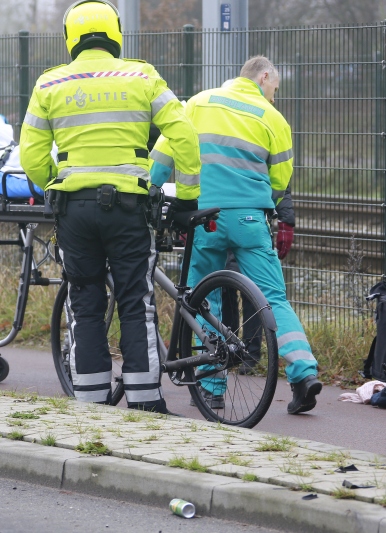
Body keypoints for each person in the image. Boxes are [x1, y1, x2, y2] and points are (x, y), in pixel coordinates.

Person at [19, 0, 200, 412]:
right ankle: (145, 403)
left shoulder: (49, 84)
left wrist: (55, 181)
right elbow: (184, 134)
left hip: (75, 210)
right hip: (129, 208)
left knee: (84, 303)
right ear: (115, 32)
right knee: (136, 301)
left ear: (71, 37)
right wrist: (187, 195)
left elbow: (30, 153)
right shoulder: (143, 75)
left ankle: (91, 404)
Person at [150, 57, 322, 415]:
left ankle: (211, 390)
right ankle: (304, 373)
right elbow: (279, 181)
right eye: (275, 87)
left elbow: (164, 153)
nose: (275, 95)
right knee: (273, 297)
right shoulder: (273, 118)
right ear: (263, 77)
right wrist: (262, 206)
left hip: (204, 218)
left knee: (201, 300)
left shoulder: (198, 102)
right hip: (250, 219)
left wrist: (152, 190)